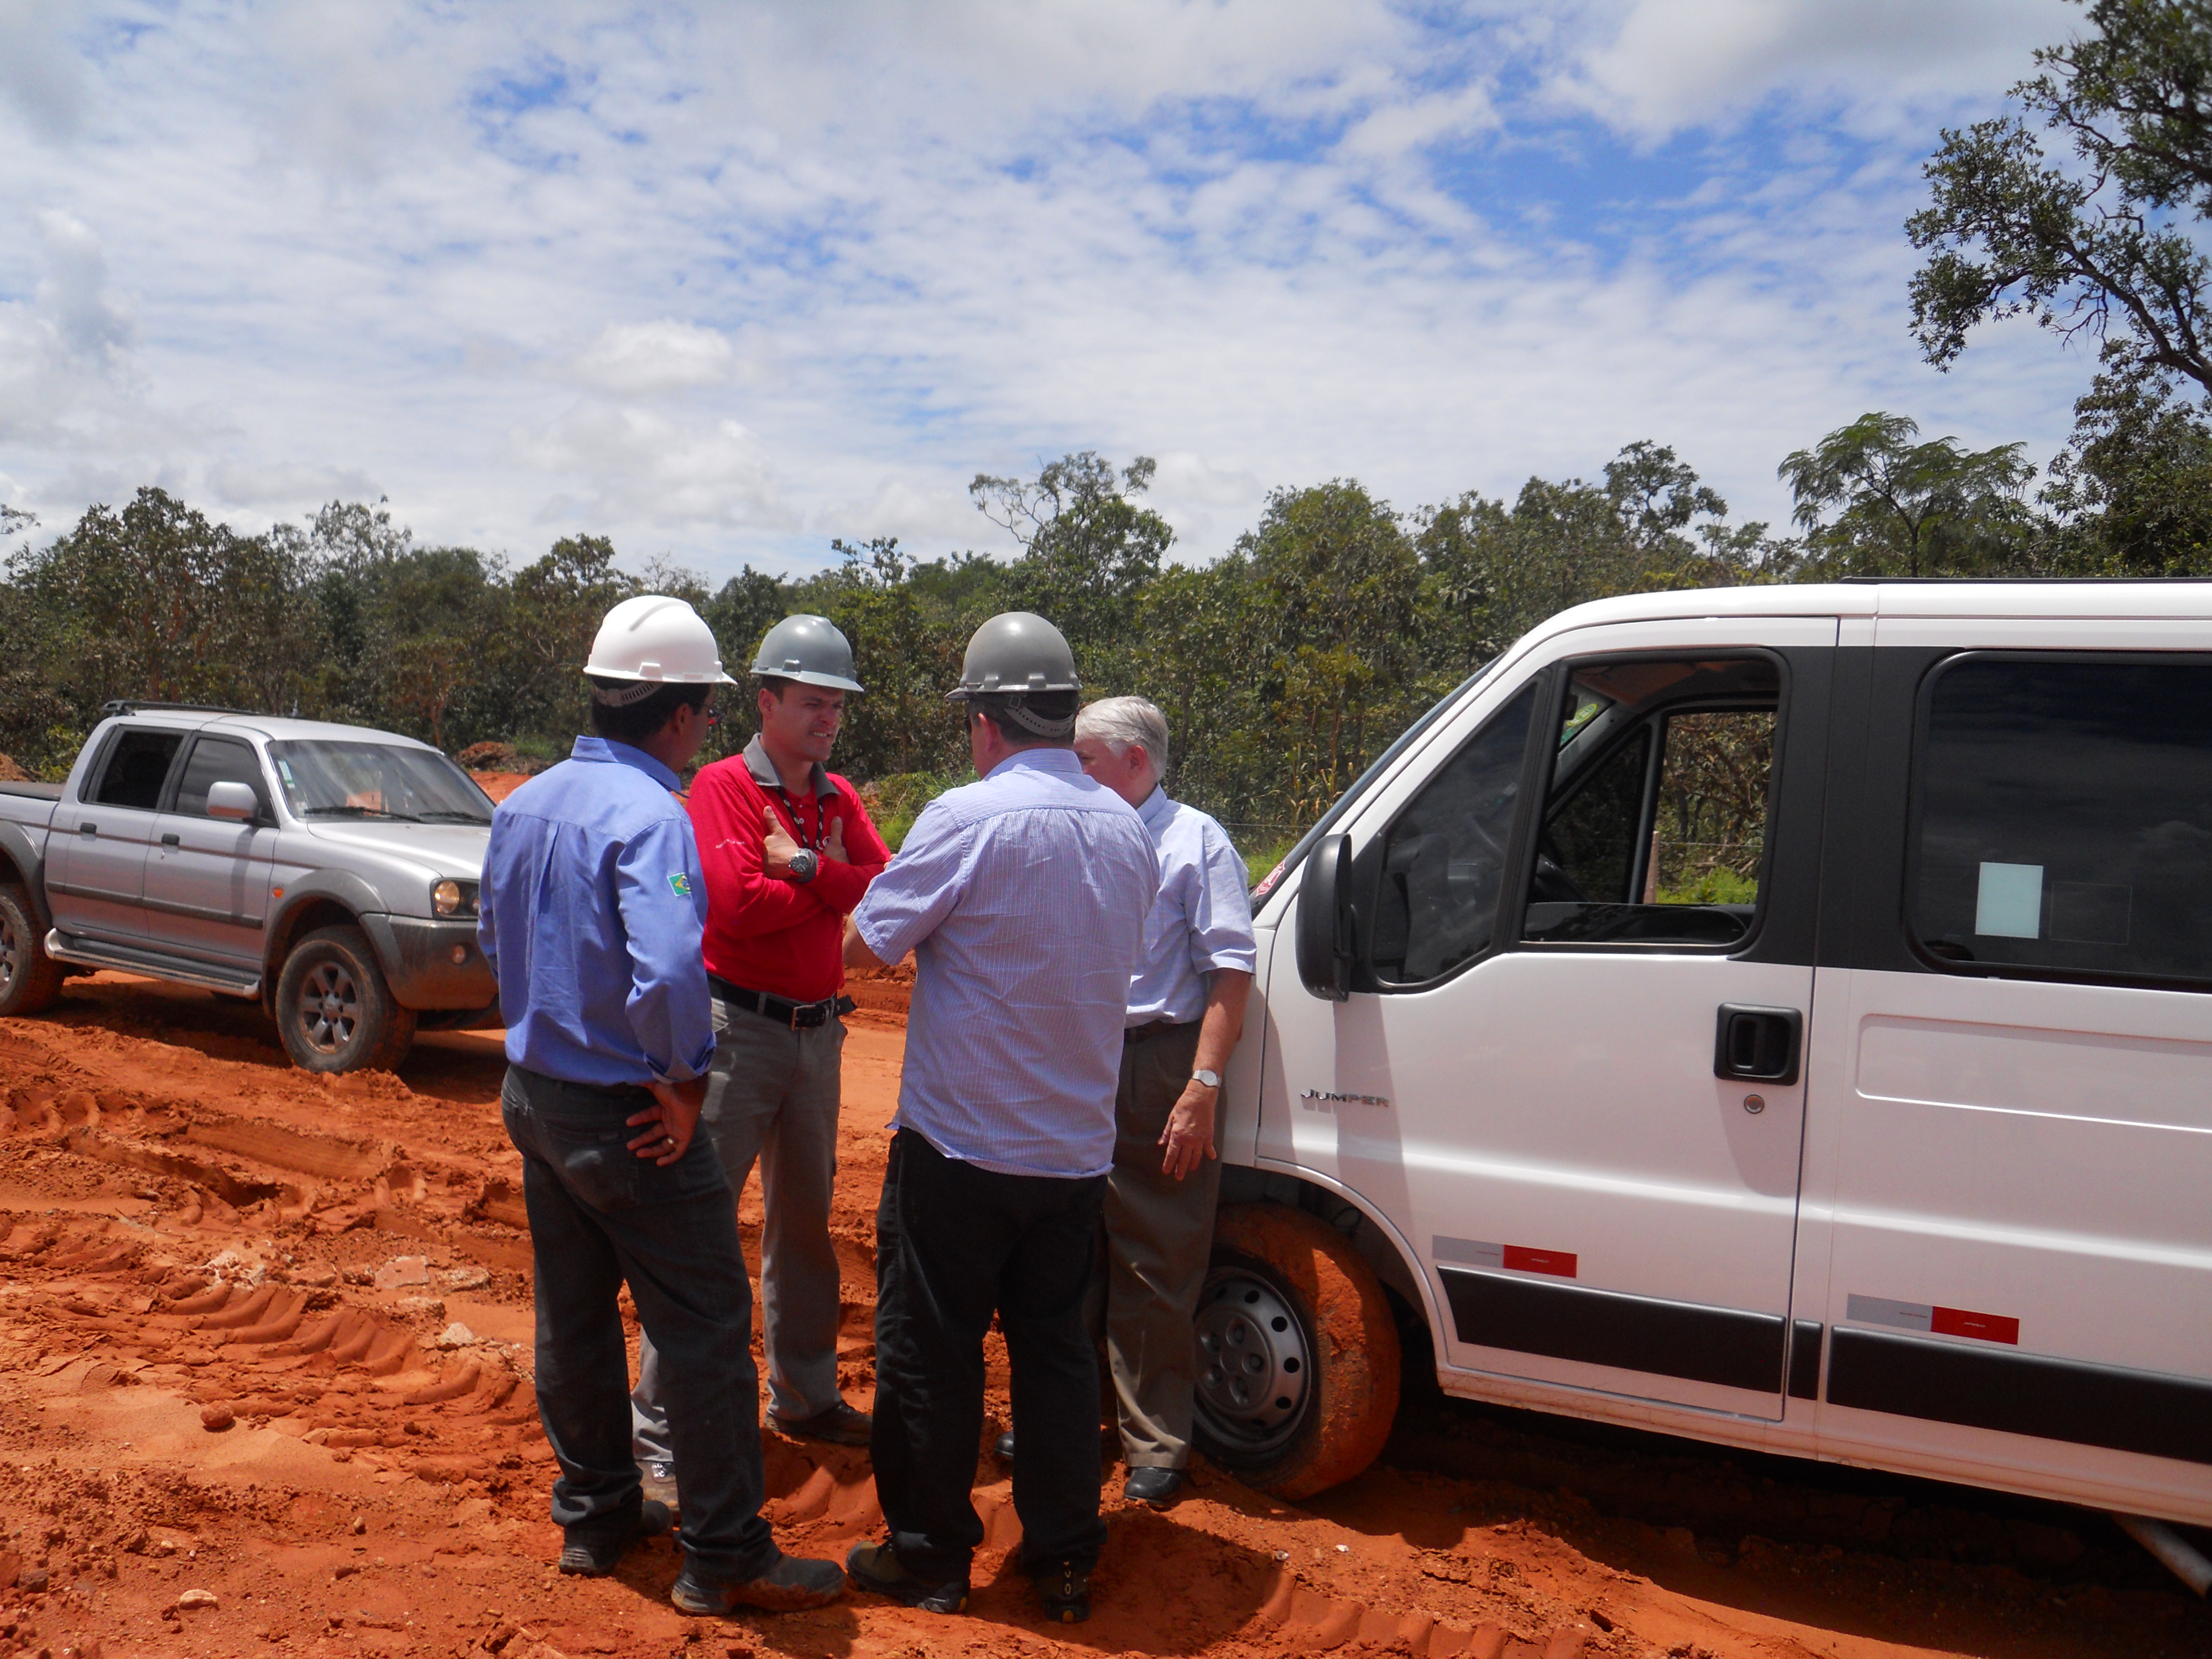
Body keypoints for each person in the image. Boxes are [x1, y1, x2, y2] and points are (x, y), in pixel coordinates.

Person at [477, 594, 844, 1616]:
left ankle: (596, 1515)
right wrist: (685, 1081)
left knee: (574, 1313)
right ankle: (725, 1552)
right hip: (627, 1111)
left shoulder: (523, 802)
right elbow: (674, 966)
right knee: (707, 1322)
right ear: (683, 715)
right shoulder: (654, 815)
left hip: (535, 1094)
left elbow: (494, 944)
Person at [837, 613, 1157, 1625]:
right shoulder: (1126, 827)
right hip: (1070, 1153)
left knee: (932, 1352)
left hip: (959, 1147)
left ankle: (930, 1558)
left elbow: (866, 947)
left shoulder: (966, 817)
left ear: (985, 720)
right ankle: (1063, 1558)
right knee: (1057, 1359)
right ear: (1062, 714)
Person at [630, 615, 890, 1503]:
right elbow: (736, 905)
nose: (829, 720)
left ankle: (806, 1396)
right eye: (814, 703)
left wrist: (808, 871)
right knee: (700, 1230)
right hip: (736, 1031)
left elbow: (887, 891)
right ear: (768, 700)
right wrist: (827, 886)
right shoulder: (722, 786)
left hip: (820, 1033)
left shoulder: (836, 796)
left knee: (805, 1228)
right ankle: (659, 1431)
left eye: (837, 706)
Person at [1066, 695, 1255, 1508]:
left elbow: (1231, 975)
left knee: (1155, 1256)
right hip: (1077, 1060)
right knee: (1069, 1251)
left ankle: (1157, 1443)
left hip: (1155, 1063)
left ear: (1134, 763)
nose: (1071, 777)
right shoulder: (1076, 835)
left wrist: (1201, 1087)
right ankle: (1074, 1420)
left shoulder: (1195, 842)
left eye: (1084, 762)